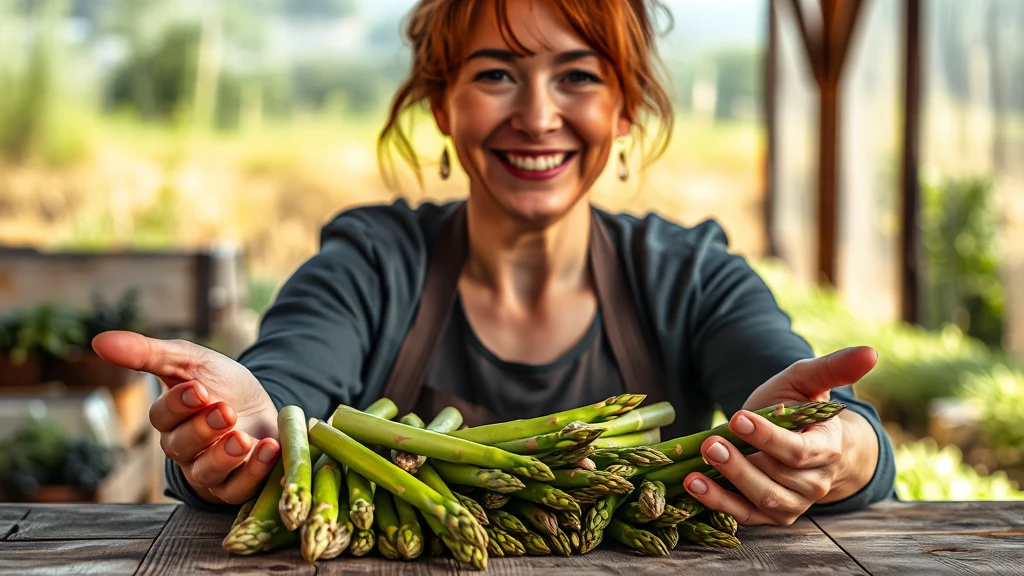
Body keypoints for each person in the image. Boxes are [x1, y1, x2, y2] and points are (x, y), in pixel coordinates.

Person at [92, 0, 895, 527]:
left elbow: (831, 419)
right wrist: (240, 435)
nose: (537, 116)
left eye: (578, 77)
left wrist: (839, 449)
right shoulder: (372, 264)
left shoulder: (688, 274)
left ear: (624, 110)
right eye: (496, 75)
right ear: (444, 105)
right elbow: (278, 394)